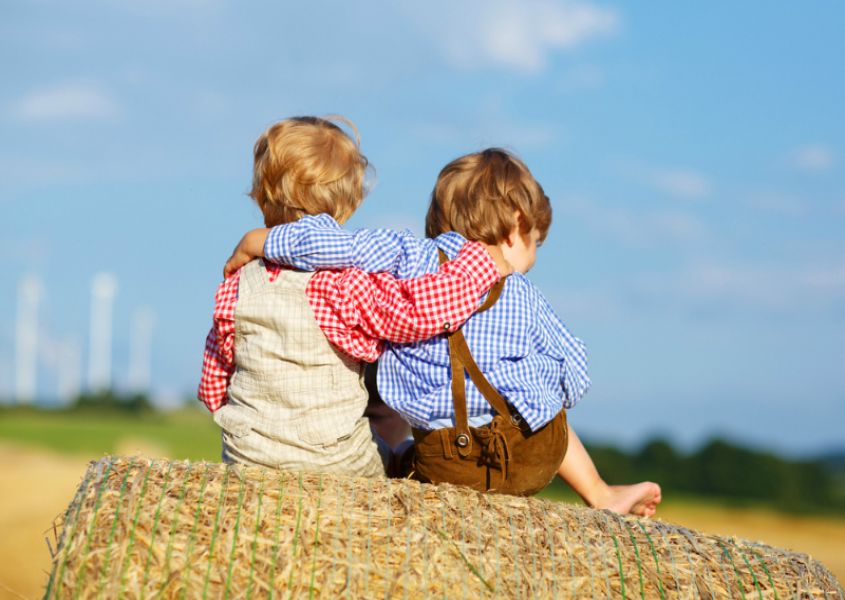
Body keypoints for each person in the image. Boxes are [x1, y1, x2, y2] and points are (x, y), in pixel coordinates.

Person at [226, 148, 661, 516]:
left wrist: (261, 241)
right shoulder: (525, 294)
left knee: (396, 414)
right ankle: (600, 493)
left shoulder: (409, 256)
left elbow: (338, 246)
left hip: (446, 463)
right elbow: (575, 371)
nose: (534, 258)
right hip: (531, 456)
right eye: (536, 244)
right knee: (544, 402)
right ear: (517, 224)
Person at [198, 117, 511, 478]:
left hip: (247, 454)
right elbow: (417, 314)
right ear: (350, 204)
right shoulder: (343, 282)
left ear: (259, 195)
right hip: (334, 458)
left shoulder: (237, 283)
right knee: (400, 459)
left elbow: (214, 381)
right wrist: (476, 267)